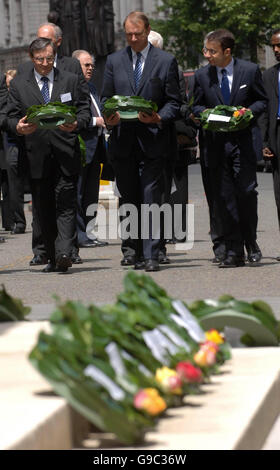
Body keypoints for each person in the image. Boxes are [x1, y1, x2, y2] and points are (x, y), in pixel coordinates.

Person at [102, 11, 181, 272]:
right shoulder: (114, 61)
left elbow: (174, 101)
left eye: (137, 34)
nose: (133, 38)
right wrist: (109, 116)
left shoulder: (165, 61)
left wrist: (159, 117)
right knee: (130, 198)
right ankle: (133, 251)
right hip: (123, 141)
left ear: (148, 31)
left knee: (151, 199)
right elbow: (106, 98)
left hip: (153, 141)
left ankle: (152, 254)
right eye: (128, 34)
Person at [5, 37, 91, 272]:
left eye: (49, 59)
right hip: (36, 156)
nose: (45, 63)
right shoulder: (21, 85)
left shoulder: (71, 80)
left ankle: (65, 251)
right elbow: (9, 117)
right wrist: (18, 127)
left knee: (66, 203)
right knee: (44, 208)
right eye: (40, 59)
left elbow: (84, 110)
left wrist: (76, 123)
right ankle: (53, 257)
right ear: (32, 59)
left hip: (65, 152)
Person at [193, 29, 267, 267]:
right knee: (225, 199)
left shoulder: (250, 70)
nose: (208, 55)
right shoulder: (203, 76)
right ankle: (234, 251)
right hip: (216, 145)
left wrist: (249, 112)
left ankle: (251, 242)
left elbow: (261, 100)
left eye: (212, 51)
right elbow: (194, 106)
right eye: (206, 50)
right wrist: (202, 113)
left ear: (227, 51)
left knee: (245, 194)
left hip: (242, 144)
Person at [71, 49, 108, 250]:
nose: (90, 68)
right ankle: (79, 234)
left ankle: (89, 231)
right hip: (82, 147)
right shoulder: (73, 87)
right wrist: (96, 121)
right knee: (78, 192)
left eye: (92, 65)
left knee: (91, 194)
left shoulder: (92, 87)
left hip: (97, 148)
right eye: (86, 65)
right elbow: (75, 118)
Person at [259, 29, 280, 261]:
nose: (275, 50)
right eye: (273, 46)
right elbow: (264, 112)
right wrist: (265, 141)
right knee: (279, 196)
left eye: (279, 46)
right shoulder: (268, 76)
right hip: (277, 137)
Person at [1, 69, 27, 235]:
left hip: (21, 140)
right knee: (12, 183)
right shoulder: (5, 96)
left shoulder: (20, 93)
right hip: (9, 142)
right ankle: (16, 220)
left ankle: (18, 220)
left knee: (16, 183)